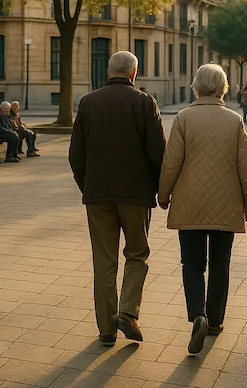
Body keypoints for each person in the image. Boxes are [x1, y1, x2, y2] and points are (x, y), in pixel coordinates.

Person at [69, 51, 166, 347]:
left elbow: (76, 155)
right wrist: (159, 190)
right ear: (134, 74)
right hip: (135, 196)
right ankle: (128, 312)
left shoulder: (88, 103)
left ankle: (106, 330)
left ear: (109, 72)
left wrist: (88, 186)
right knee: (137, 254)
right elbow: (159, 153)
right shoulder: (144, 103)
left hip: (98, 196)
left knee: (104, 261)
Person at [158, 64, 247, 355]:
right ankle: (214, 321)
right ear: (223, 87)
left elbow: (171, 162)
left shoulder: (184, 118)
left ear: (196, 86)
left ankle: (197, 315)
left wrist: (164, 195)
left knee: (192, 263)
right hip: (226, 205)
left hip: (190, 203)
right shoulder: (235, 120)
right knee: (220, 264)